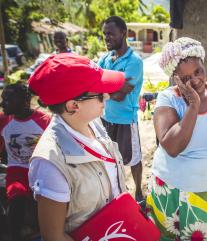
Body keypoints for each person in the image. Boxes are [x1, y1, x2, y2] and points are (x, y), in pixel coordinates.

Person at [146, 37, 207, 240]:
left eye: (198, 71)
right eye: (186, 77)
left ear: (204, 64)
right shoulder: (168, 98)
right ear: (176, 79)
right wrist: (193, 105)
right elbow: (171, 146)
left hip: (202, 189)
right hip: (168, 188)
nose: (196, 80)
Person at [27, 53, 128, 240]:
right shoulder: (50, 164)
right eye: (99, 94)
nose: (107, 96)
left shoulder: (93, 122)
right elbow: (54, 237)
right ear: (73, 105)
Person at [98, 16, 144, 201]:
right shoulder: (105, 59)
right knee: (109, 158)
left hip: (126, 120)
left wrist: (103, 88)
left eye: (110, 33)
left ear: (123, 33)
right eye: (104, 34)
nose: (106, 38)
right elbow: (98, 84)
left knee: (133, 159)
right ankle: (117, 194)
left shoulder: (134, 62)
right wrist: (110, 87)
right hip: (106, 118)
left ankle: (139, 192)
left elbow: (120, 95)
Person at [0, 83, 50, 241]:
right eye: (2, 99)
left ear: (24, 101)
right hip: (17, 171)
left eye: (7, 99)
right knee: (16, 201)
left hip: (41, 169)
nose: (2, 104)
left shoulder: (44, 121)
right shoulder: (4, 121)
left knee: (40, 208)